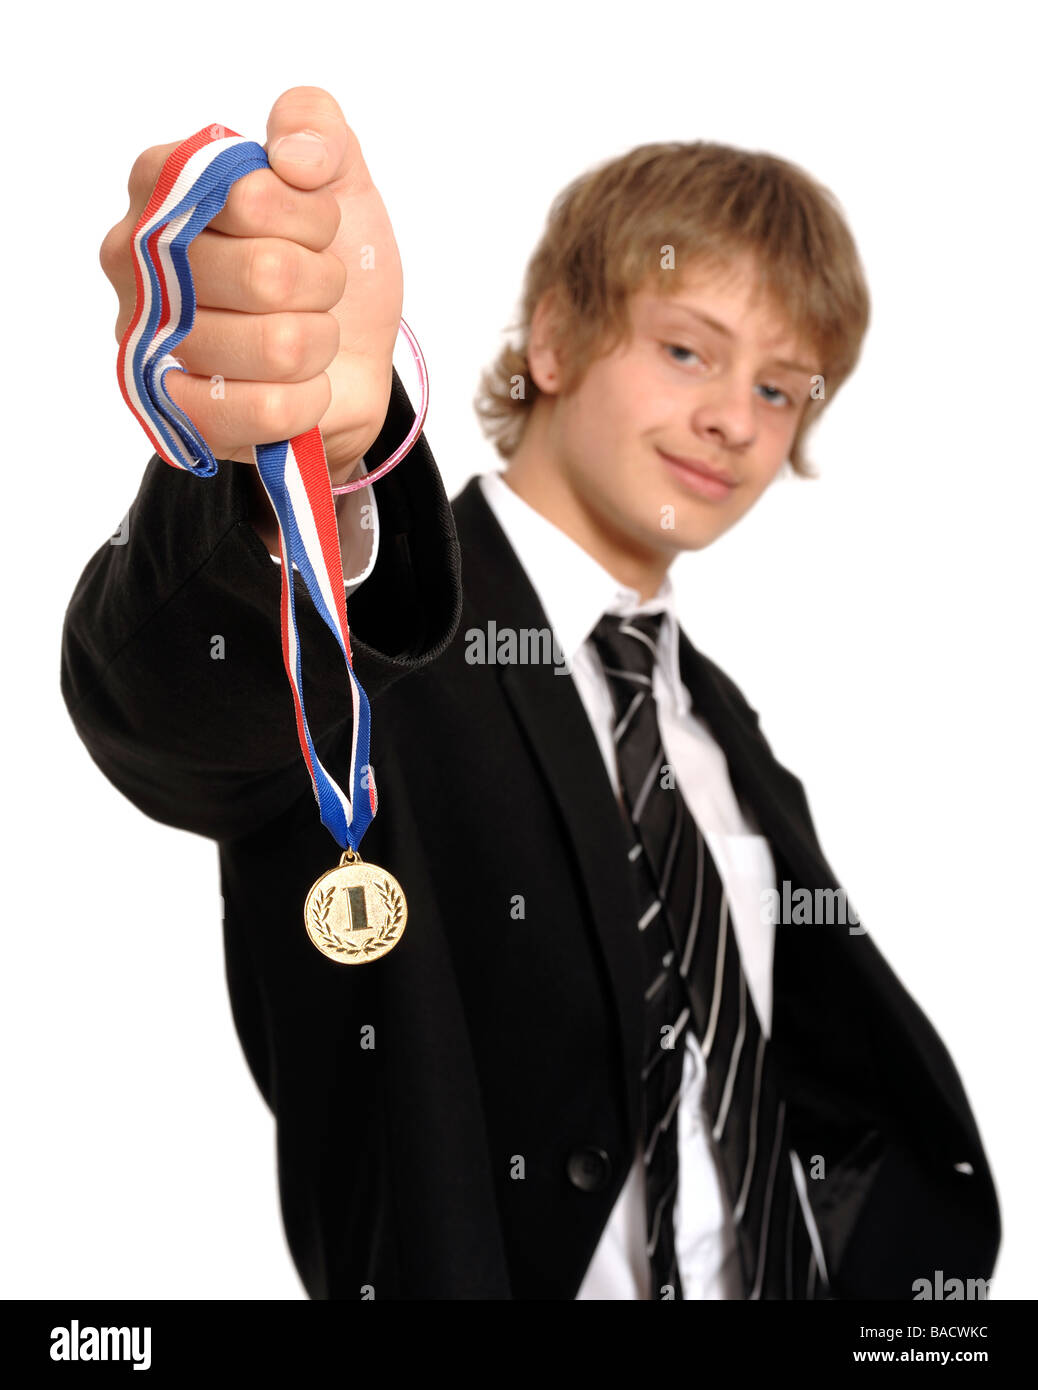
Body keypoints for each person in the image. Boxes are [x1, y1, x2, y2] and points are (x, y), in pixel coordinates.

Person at [61, 86, 1000, 1300]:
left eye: (779, 389)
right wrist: (314, 469)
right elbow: (178, 715)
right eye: (686, 349)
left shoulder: (714, 726)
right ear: (554, 340)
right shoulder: (387, 640)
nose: (730, 419)